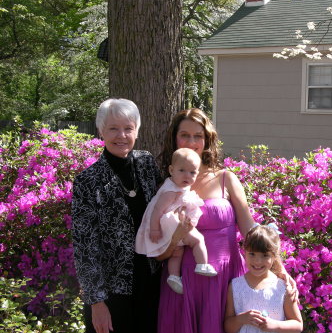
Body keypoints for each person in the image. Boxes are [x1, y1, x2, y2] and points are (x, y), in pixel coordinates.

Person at [157, 108, 297, 333]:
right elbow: (156, 239)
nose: (191, 142)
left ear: (207, 140)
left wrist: (281, 270)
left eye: (198, 136)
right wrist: (174, 239)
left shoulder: (226, 179)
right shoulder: (167, 185)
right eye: (184, 135)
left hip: (225, 279)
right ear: (174, 137)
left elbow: (251, 232)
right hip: (182, 280)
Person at [71, 98, 164, 333]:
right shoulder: (87, 181)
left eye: (128, 128)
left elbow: (168, 204)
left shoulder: (147, 164)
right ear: (102, 131)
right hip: (112, 295)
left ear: (137, 131)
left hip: (152, 285)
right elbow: (85, 246)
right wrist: (97, 302)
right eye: (113, 128)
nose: (121, 135)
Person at [135, 147, 217, 295]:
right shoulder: (171, 191)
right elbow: (156, 211)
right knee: (198, 240)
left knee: (176, 252)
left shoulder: (175, 185)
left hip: (170, 227)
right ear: (171, 170)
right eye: (182, 171)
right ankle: (202, 264)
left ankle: (173, 276)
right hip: (171, 224)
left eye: (192, 172)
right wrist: (154, 229)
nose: (187, 175)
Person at [224, 225, 303, 333]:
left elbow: (298, 325)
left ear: (274, 256)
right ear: (244, 252)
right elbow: (228, 327)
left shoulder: (283, 287)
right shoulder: (235, 286)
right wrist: (241, 319)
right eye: (252, 254)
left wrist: (275, 325)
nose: (257, 261)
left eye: (265, 255)